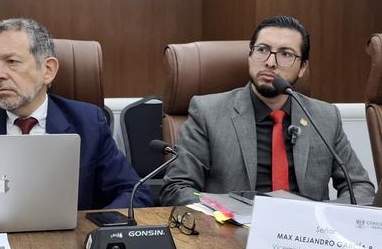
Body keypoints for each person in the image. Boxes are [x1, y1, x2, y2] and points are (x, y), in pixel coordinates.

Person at [0, 18, 152, 217]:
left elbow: (133, 193)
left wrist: (88, 231)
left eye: (11, 62)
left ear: (48, 70)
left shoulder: (88, 122)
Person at [160, 15, 375, 206]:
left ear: (302, 68)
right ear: (250, 56)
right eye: (262, 50)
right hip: (232, 236)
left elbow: (359, 187)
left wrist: (325, 218)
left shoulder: (324, 117)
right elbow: (177, 189)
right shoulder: (208, 112)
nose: (271, 62)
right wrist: (226, 213)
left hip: (306, 238)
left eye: (285, 54)